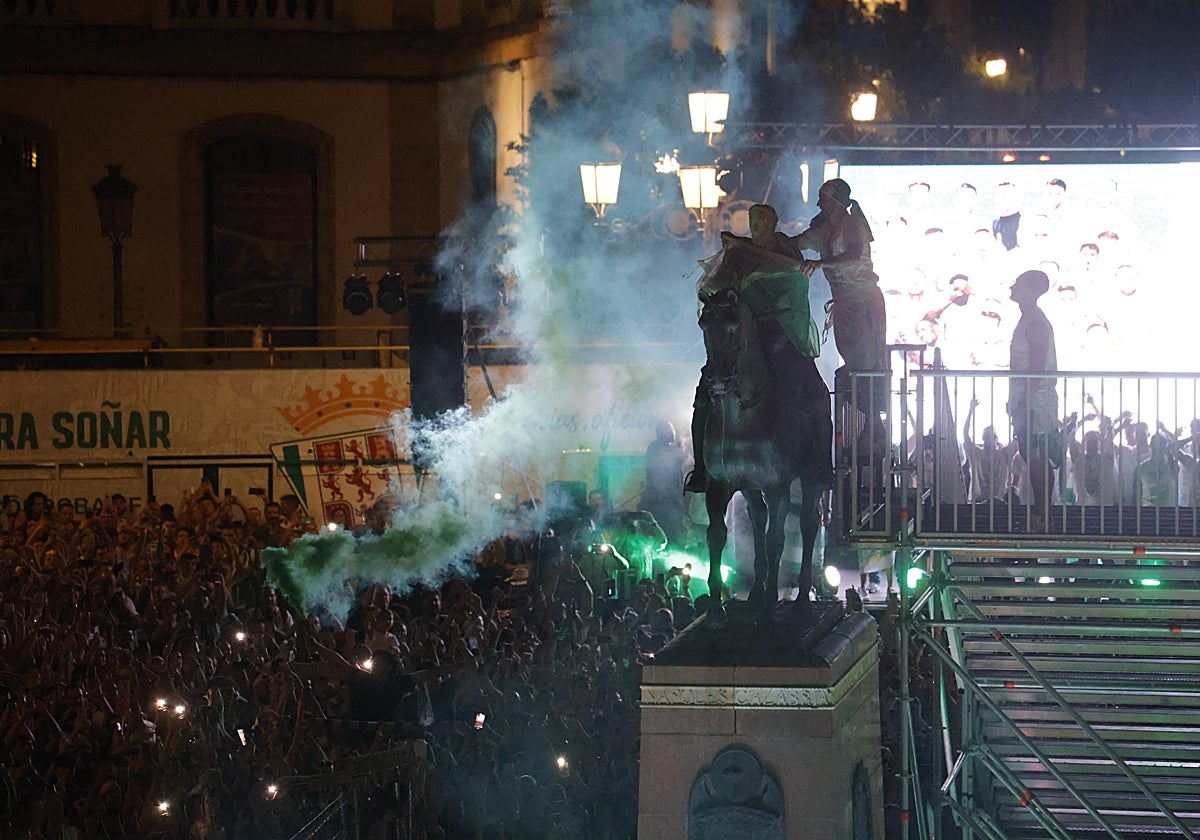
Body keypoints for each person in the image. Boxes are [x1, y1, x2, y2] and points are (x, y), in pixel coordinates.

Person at [685, 203, 832, 493]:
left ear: (774, 221)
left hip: (781, 333)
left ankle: (822, 464)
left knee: (816, 392)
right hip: (741, 334)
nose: (757, 224)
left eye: (763, 219)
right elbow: (717, 286)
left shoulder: (787, 251)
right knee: (704, 393)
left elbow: (795, 286)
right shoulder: (739, 253)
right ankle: (701, 467)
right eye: (753, 219)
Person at [1007, 269, 1059, 528]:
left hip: (1036, 401)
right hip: (1031, 398)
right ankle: (1042, 511)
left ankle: (1043, 513)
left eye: (1018, 283)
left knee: (1036, 454)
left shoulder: (1035, 322)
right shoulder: (1030, 319)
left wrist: (1024, 401)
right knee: (1032, 454)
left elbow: (1037, 366)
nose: (1012, 287)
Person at [962, 398, 1018, 503]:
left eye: (990, 436)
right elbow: (965, 434)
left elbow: (1017, 439)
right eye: (985, 436)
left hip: (998, 503)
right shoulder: (976, 453)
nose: (987, 439)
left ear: (996, 439)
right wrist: (970, 411)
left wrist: (1013, 415)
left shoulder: (1004, 454)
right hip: (978, 502)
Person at [641, 420, 687, 545]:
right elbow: (685, 459)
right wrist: (681, 445)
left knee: (675, 529)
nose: (673, 433)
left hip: (673, 499)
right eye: (669, 430)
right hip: (661, 499)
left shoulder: (666, 447)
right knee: (667, 530)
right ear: (660, 433)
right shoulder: (656, 448)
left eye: (672, 429)